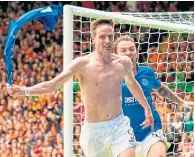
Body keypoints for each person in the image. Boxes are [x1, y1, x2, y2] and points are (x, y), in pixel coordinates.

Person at [6, 18, 154, 157]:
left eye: (110, 36)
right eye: (102, 37)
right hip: (94, 130)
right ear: (93, 39)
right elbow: (52, 85)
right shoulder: (82, 64)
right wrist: (25, 91)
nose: (107, 41)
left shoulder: (124, 63)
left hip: (119, 125)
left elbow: (131, 83)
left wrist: (147, 108)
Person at [114, 35, 194, 157]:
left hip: (150, 130)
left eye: (131, 49)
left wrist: (181, 102)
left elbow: (160, 88)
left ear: (136, 51)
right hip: (124, 133)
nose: (128, 53)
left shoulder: (146, 72)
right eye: (123, 50)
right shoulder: (112, 77)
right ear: (115, 54)